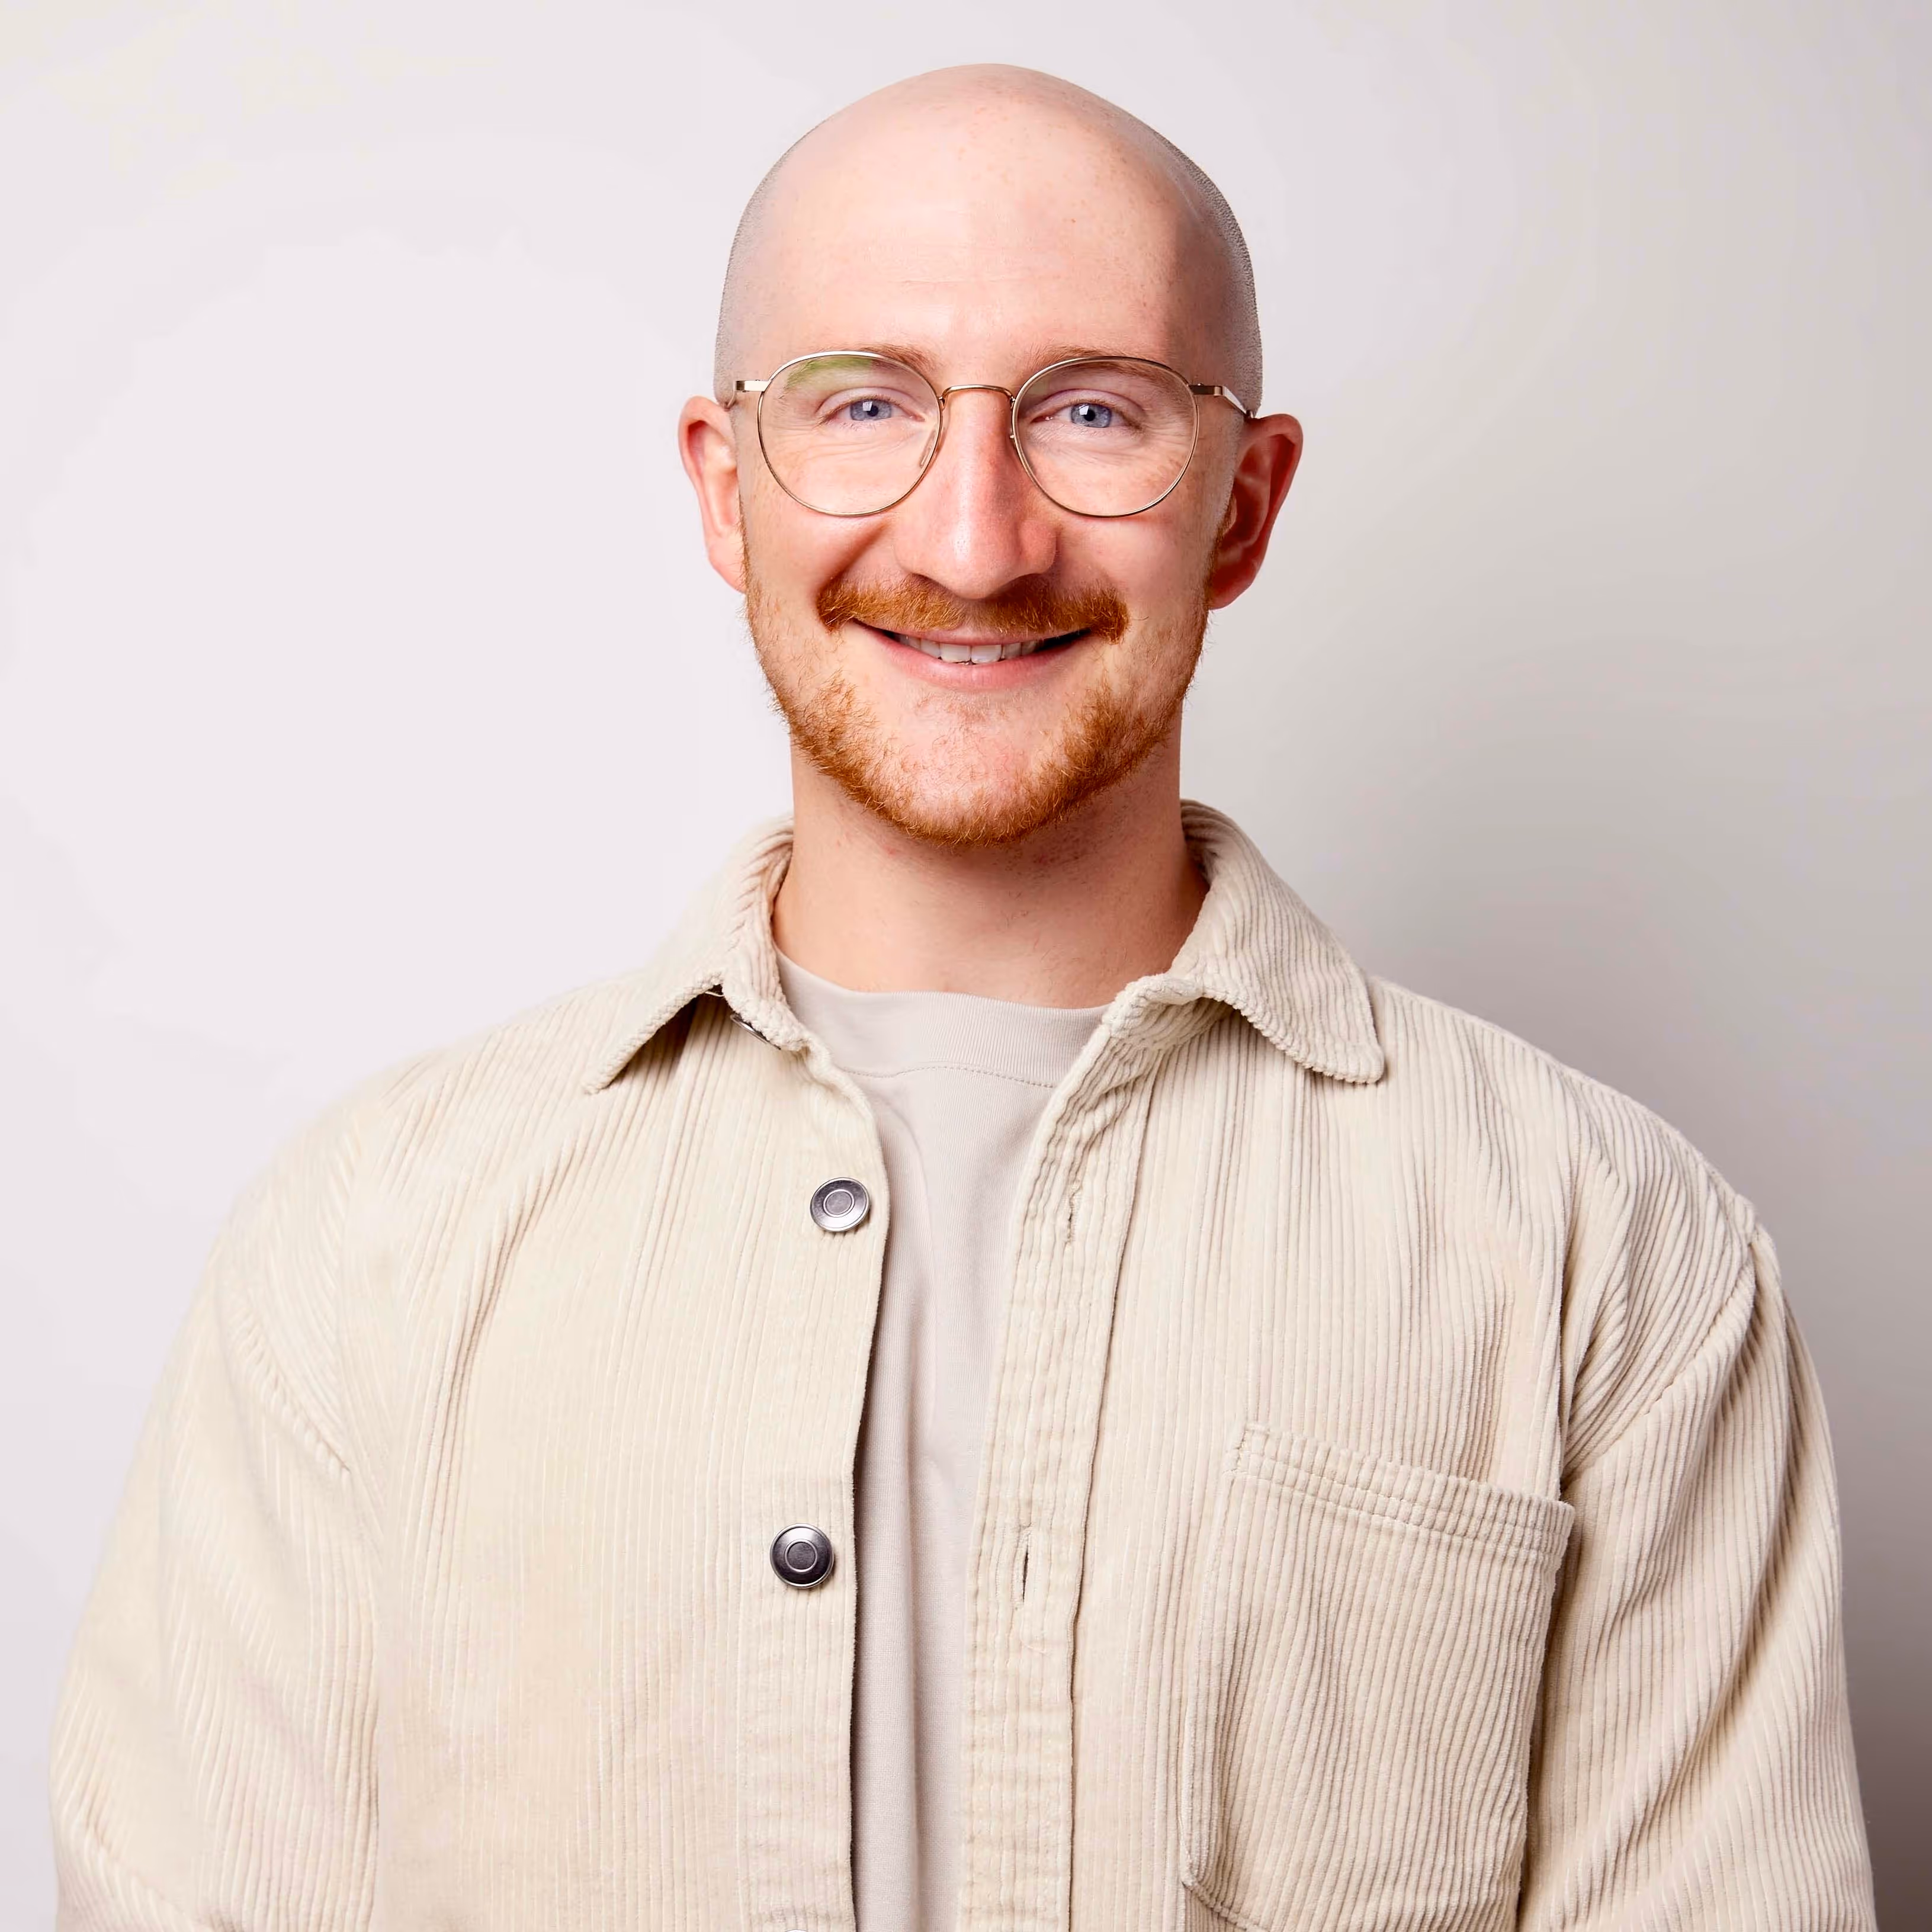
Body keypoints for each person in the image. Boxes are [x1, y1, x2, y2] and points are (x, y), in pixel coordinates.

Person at [50, 62, 1875, 1932]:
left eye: (1093, 409)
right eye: (861, 405)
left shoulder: (1607, 1251)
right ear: (723, 483)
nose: (973, 539)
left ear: (1242, 507)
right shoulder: (369, 1244)